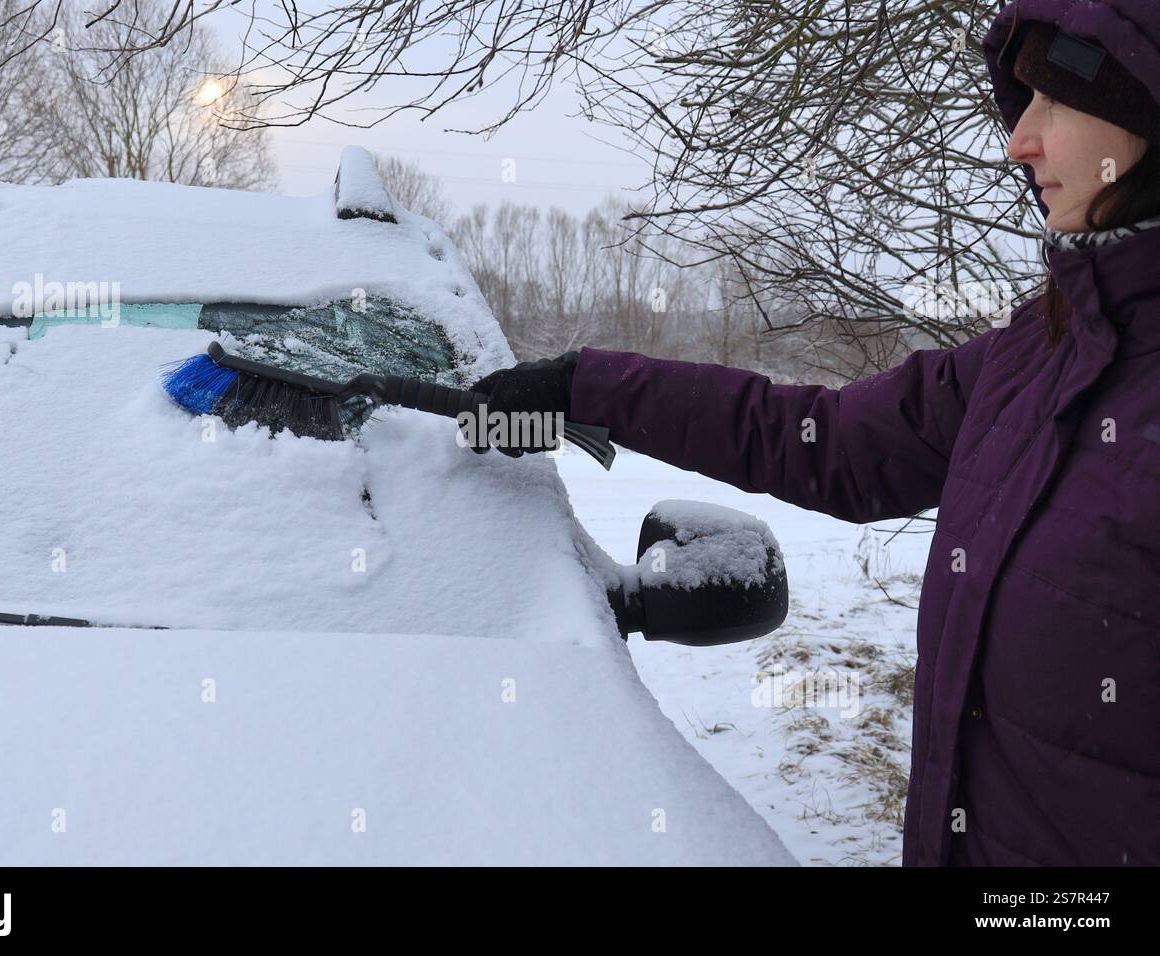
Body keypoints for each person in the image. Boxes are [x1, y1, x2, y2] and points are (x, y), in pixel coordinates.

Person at [469, 3, 1160, 867]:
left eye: (1051, 103)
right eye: (1018, 106)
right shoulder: (1035, 358)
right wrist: (586, 383)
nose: (1018, 143)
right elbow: (821, 441)